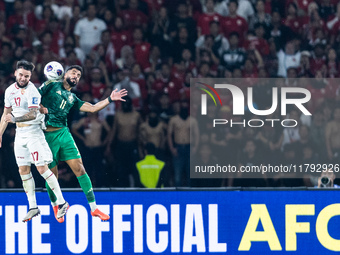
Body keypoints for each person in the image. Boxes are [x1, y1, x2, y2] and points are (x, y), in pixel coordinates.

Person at [39, 64, 127, 222]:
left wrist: (109, 99)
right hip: (46, 136)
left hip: (63, 133)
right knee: (52, 176)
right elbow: (34, 98)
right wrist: (38, 107)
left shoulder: (73, 98)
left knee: (80, 168)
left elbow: (93, 108)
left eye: (78, 75)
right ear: (64, 74)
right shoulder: (51, 85)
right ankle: (55, 206)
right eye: (73, 73)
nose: (76, 76)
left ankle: (94, 208)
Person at [0, 60, 69, 222]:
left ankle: (62, 202)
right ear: (15, 73)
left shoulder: (33, 92)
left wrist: (15, 118)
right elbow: (5, 115)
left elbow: (31, 114)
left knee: (41, 168)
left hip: (34, 133)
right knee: (23, 170)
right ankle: (33, 207)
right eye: (21, 75)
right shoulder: (9, 91)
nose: (24, 78)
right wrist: (0, 134)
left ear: (30, 76)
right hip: (20, 134)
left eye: (27, 76)